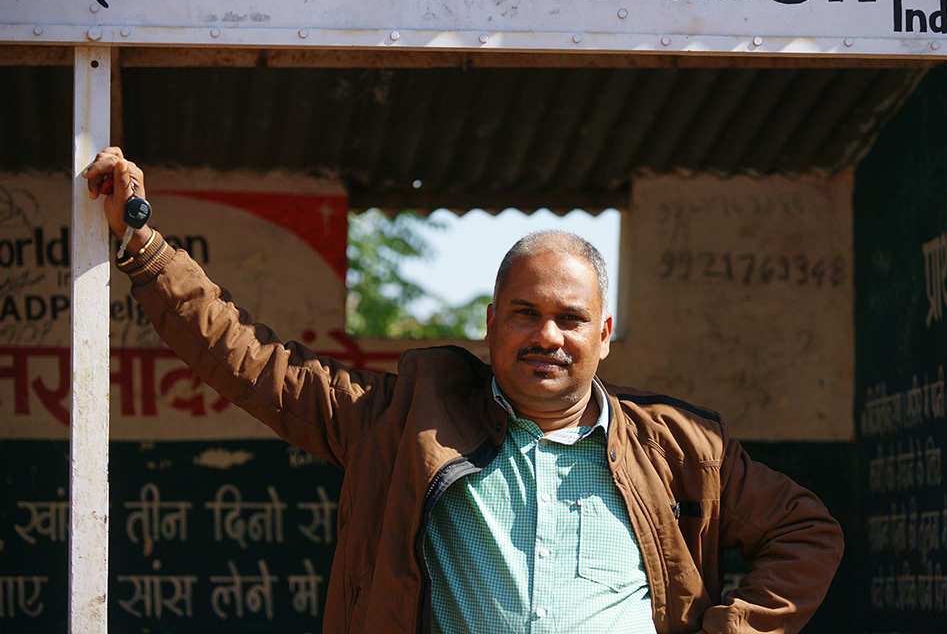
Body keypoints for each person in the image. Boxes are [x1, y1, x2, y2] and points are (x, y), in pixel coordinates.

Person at [84, 147, 843, 634]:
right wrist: (143, 246)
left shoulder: (680, 447)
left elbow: (807, 532)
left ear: (604, 334)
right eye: (525, 313)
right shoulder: (406, 420)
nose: (547, 335)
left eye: (570, 318)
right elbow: (251, 362)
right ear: (490, 324)